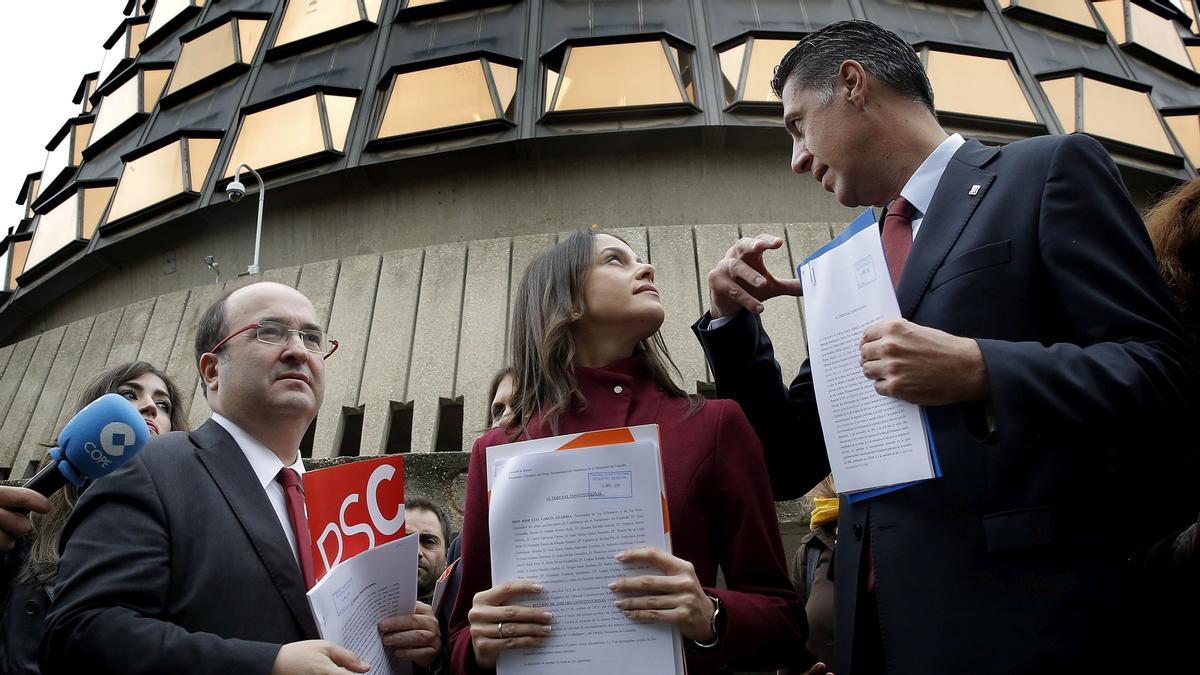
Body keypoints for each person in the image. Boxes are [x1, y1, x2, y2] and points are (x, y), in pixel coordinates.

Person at [692, 20, 1200, 675]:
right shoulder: (842, 261)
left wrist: (982, 368)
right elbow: (789, 464)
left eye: (796, 125)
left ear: (851, 83)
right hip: (871, 634)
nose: (795, 158)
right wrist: (735, 328)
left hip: (1023, 622)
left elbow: (1163, 372)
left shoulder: (1047, 172)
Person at [448, 229, 813, 674]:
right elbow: (459, 638)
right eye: (615, 260)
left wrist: (711, 614)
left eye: (638, 258)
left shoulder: (714, 424)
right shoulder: (496, 449)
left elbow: (784, 617)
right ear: (562, 300)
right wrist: (480, 644)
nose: (647, 268)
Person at [41, 282, 439, 675]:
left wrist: (414, 646)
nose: (298, 350)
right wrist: (268, 664)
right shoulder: (150, 466)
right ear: (213, 370)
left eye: (312, 338)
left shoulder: (346, 505)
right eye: (269, 332)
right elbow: (79, 633)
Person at [0, 361, 186, 674]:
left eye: (163, 404)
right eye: (129, 395)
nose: (151, 408)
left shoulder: (191, 529)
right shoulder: (25, 522)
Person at [406, 496, 451, 605]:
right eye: (405, 540)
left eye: (429, 542)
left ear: (447, 555)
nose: (416, 552)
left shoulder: (464, 615)